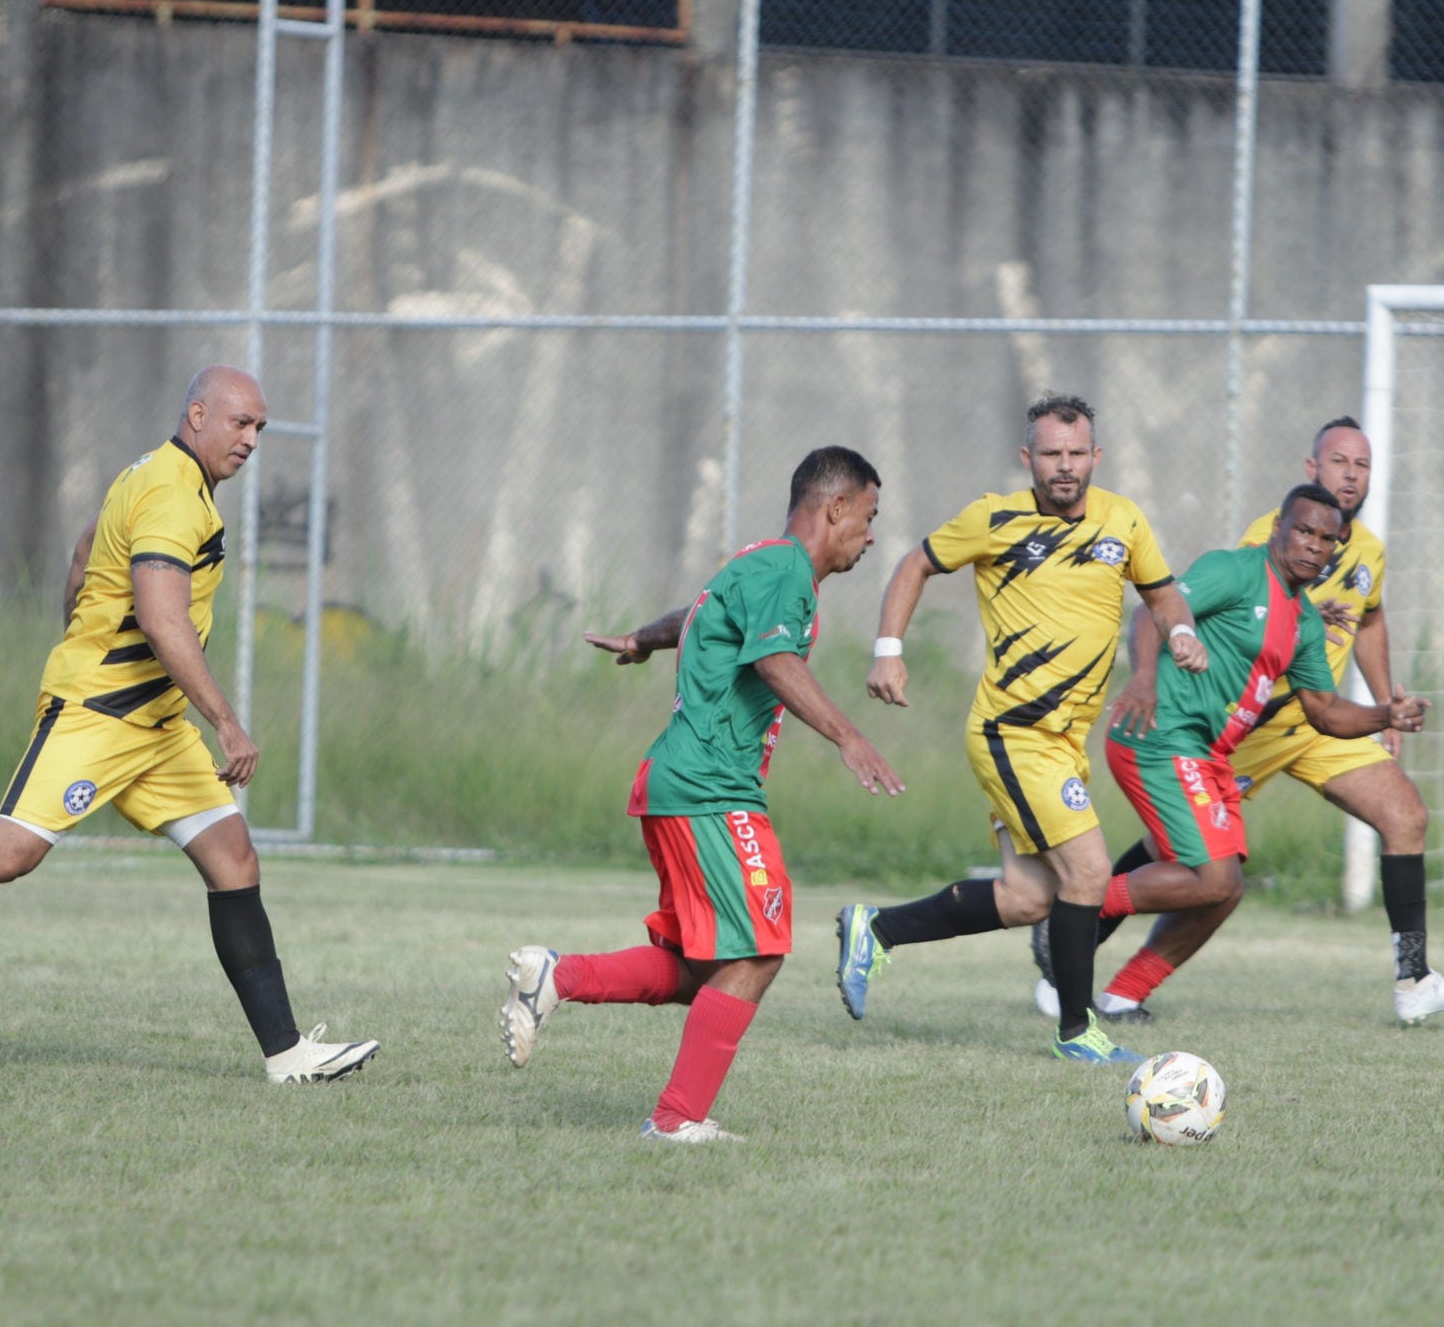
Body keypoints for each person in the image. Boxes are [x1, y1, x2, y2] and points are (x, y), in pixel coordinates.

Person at [0, 365, 378, 1082]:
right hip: (101, 714)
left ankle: (288, 1056)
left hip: (157, 726)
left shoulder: (156, 473)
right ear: (198, 415)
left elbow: (84, 551)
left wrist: (77, 630)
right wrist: (226, 723)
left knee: (234, 860)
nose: (252, 439)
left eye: (260, 427)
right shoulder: (171, 494)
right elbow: (164, 621)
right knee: (5, 855)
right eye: (241, 423)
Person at [499, 446, 902, 1144]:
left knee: (703, 967)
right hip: (710, 789)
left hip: (682, 783)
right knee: (757, 953)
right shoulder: (786, 571)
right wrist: (848, 735)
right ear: (835, 508)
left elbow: (699, 613)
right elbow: (772, 658)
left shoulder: (761, 564)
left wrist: (644, 638)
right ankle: (677, 1117)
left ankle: (557, 977)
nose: (870, 538)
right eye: (868, 518)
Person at [1031, 418, 1444, 1026]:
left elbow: (1351, 656)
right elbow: (1164, 609)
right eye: (1338, 462)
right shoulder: (1250, 557)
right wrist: (1145, 676)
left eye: (1362, 465)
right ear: (1306, 480)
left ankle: (1414, 978)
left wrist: (1386, 710)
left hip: (1299, 726)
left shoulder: (1354, 568)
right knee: (1197, 868)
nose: (1350, 475)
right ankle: (1072, 932)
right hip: (1224, 730)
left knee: (1395, 819)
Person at [833, 395, 1207, 1066]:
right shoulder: (994, 518)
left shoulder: (1124, 519)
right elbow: (915, 563)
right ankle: (1078, 1030)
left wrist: (1179, 630)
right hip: (1014, 733)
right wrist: (888, 650)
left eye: (1076, 453)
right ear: (1027, 457)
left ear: (1096, 456)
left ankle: (877, 929)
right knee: (1089, 871)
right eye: (1051, 453)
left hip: (1064, 741)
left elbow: (1161, 591)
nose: (1064, 466)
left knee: (1029, 897)